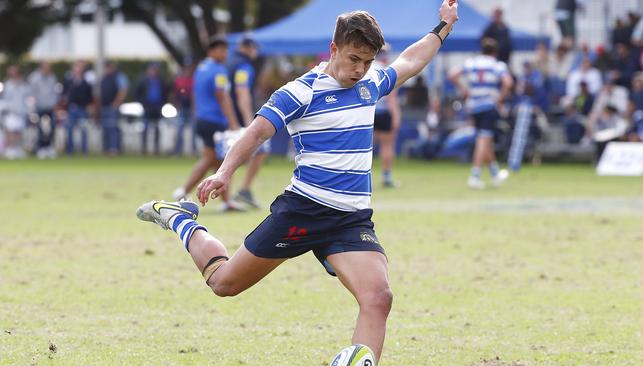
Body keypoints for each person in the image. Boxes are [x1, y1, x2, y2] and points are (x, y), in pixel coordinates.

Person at [136, 2, 459, 362]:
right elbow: (256, 132)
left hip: (350, 220)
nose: (360, 69)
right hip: (302, 212)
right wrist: (224, 172)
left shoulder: (372, 82)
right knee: (224, 283)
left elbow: (412, 60)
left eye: (367, 61)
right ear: (333, 48)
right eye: (354, 58)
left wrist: (443, 27)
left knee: (379, 297)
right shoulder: (300, 92)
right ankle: (181, 220)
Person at [172, 35, 241, 210]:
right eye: (222, 49)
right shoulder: (218, 70)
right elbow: (223, 97)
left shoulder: (201, 69)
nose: (225, 53)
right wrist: (233, 123)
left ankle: (226, 202)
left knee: (217, 161)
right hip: (214, 120)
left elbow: (195, 95)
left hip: (202, 119)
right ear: (212, 51)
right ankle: (183, 191)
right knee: (213, 159)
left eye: (226, 49)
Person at [449, 37, 513, 189]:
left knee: (485, 140)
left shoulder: (472, 63)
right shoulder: (497, 65)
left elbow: (452, 74)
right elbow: (508, 83)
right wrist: (500, 98)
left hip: (473, 106)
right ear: (495, 52)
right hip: (488, 106)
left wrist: (464, 89)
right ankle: (475, 175)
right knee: (483, 140)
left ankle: (494, 172)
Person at [227, 37, 269, 208]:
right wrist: (248, 120)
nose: (256, 53)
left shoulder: (229, 62)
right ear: (248, 48)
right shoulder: (244, 66)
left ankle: (234, 195)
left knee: (218, 156)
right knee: (262, 149)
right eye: (254, 48)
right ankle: (242, 191)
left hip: (227, 116)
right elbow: (242, 92)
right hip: (237, 118)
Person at [373, 44, 402, 188]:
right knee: (387, 146)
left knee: (363, 148)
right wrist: (396, 116)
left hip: (367, 112)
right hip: (384, 112)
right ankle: (386, 177)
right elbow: (392, 98)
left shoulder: (365, 69)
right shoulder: (386, 70)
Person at [135, 62, 169, 155]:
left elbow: (165, 93)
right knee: (145, 127)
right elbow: (137, 93)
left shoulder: (161, 80)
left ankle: (156, 149)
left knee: (157, 128)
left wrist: (162, 104)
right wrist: (142, 103)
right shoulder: (143, 80)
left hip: (157, 107)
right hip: (147, 107)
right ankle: (144, 149)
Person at [61, 60, 93, 155]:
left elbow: (89, 95)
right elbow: (65, 94)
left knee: (84, 129)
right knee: (70, 129)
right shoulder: (69, 81)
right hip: (72, 108)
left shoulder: (87, 81)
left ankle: (84, 150)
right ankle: (70, 150)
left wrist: (89, 106)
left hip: (82, 108)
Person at [28, 62, 59, 159]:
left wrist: (54, 104)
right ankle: (41, 148)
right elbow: (31, 93)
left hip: (50, 107)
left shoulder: (52, 77)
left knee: (51, 128)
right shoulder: (34, 78)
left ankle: (48, 147)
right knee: (40, 129)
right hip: (39, 108)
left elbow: (55, 92)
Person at [98, 61, 128, 156]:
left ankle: (114, 149)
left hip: (112, 107)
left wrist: (116, 103)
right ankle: (107, 149)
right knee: (106, 129)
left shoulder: (118, 77)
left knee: (113, 129)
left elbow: (122, 90)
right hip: (104, 107)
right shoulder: (104, 78)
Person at [1, 65, 31, 160]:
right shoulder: (7, 84)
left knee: (18, 131)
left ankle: (16, 148)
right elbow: (4, 98)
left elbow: (27, 96)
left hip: (21, 111)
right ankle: (10, 149)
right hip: (10, 111)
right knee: (11, 131)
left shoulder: (23, 84)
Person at [172, 61, 196, 156]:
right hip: (182, 107)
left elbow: (194, 95)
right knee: (179, 130)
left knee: (193, 132)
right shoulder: (179, 80)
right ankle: (178, 151)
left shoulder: (194, 80)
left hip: (190, 108)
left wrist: (194, 108)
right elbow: (175, 94)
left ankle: (193, 151)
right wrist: (176, 105)